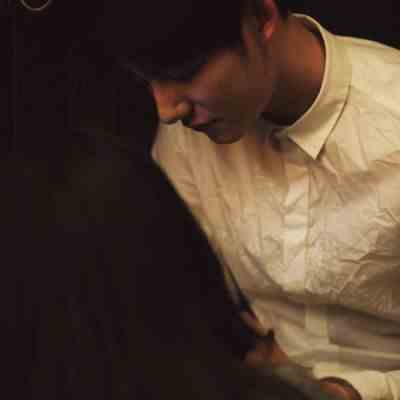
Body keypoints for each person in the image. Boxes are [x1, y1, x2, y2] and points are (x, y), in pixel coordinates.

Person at [97, 1, 400, 399]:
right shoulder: (188, 135)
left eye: (183, 72)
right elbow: (182, 294)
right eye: (148, 79)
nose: (166, 109)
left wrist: (355, 392)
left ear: (261, 19)